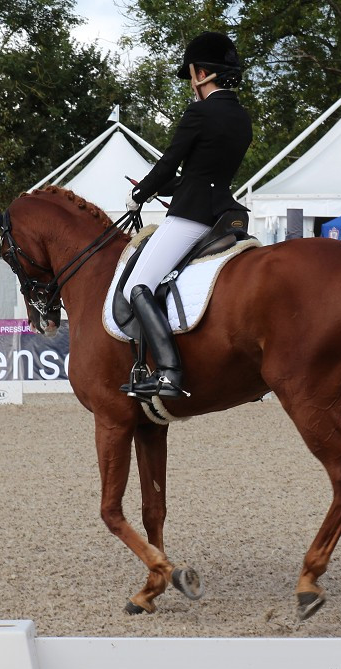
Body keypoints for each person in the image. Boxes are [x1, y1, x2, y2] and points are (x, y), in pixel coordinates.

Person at [120, 31, 253, 398]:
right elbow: (204, 173)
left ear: (201, 73)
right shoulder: (241, 118)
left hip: (191, 217)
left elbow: (168, 164)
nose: (190, 83)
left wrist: (140, 193)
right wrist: (166, 187)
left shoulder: (199, 111)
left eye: (191, 74)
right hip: (223, 214)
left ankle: (168, 371)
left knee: (137, 286)